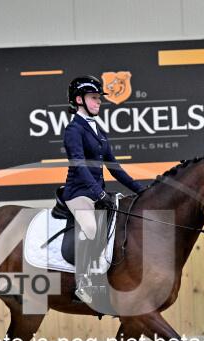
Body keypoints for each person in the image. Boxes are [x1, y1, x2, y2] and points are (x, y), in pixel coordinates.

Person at [62, 75, 145, 303]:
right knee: (91, 226)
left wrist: (142, 190)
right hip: (78, 193)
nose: (99, 102)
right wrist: (98, 194)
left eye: (99, 98)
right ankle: (83, 284)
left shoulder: (98, 130)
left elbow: (114, 168)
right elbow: (79, 165)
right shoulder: (73, 130)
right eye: (93, 98)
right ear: (79, 100)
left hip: (96, 192)